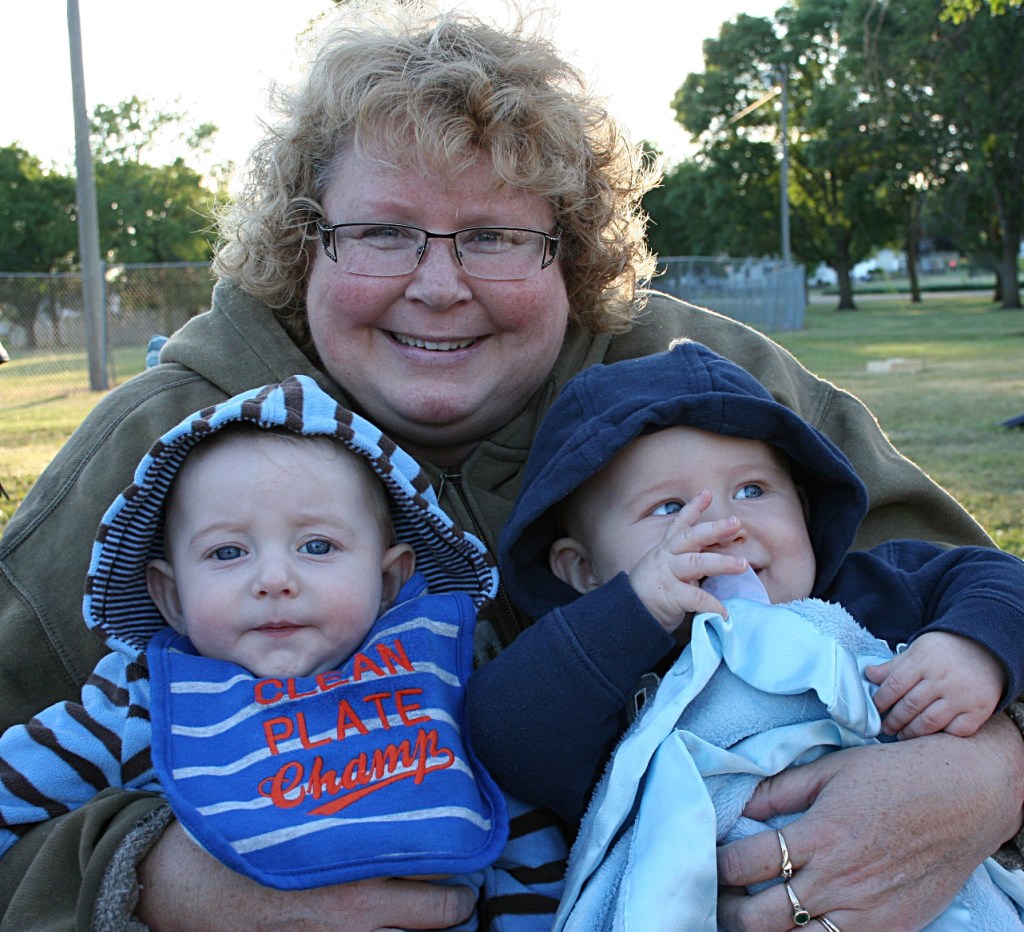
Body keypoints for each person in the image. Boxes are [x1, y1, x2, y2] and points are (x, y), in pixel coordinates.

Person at [0, 4, 1020, 929]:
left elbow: (966, 597)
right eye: (382, 232)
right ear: (302, 242)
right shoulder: (157, 450)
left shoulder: (717, 390)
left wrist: (988, 776)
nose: (438, 286)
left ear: (568, 254)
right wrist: (153, 882)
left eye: (493, 235)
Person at [467, 340, 1024, 928]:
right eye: (669, 507)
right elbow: (505, 735)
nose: (726, 526)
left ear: (804, 508)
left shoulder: (872, 591)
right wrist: (633, 612)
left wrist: (972, 647)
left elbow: (999, 578)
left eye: (753, 490)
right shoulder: (602, 678)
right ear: (582, 570)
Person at [0, 374, 564, 928]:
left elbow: (514, 830)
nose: (274, 579)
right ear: (171, 596)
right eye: (226, 552)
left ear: (389, 579)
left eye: (317, 546)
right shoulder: (141, 706)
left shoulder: (439, 684)